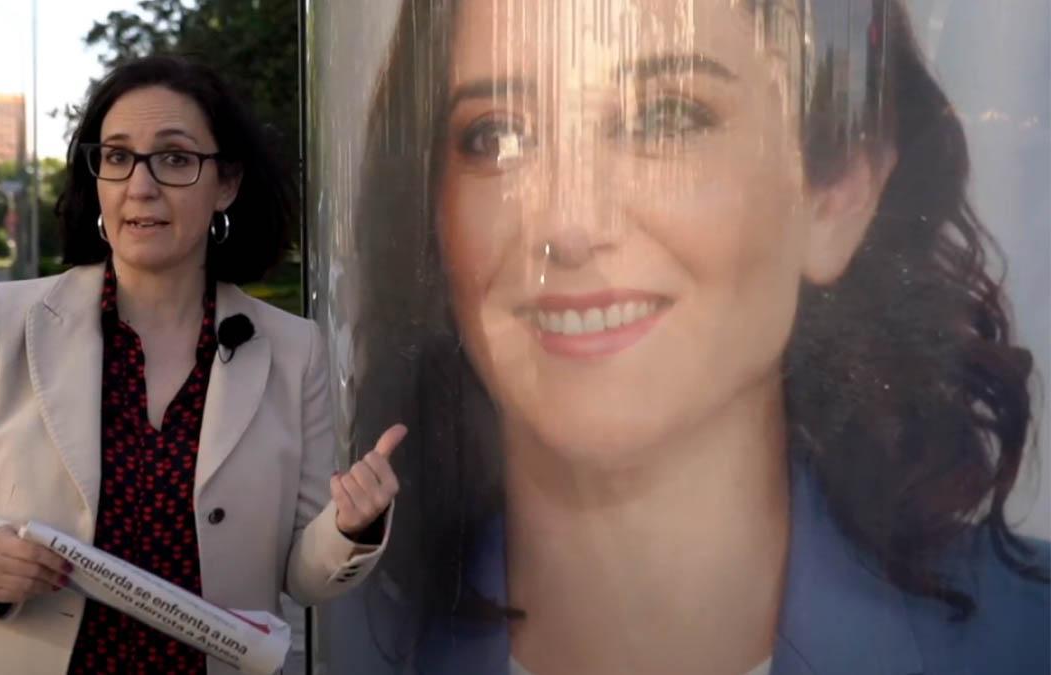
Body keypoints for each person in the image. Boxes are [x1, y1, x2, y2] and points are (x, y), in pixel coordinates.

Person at [327, 0, 1050, 673]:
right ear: (432, 214)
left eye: (667, 117)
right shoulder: (332, 638)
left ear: (838, 192)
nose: (568, 226)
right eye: (497, 134)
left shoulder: (1027, 639)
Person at [0, 55, 405, 675]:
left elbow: (303, 569)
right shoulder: (5, 320)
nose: (141, 186)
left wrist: (351, 525)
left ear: (227, 183)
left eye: (174, 158)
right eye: (117, 157)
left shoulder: (293, 349)